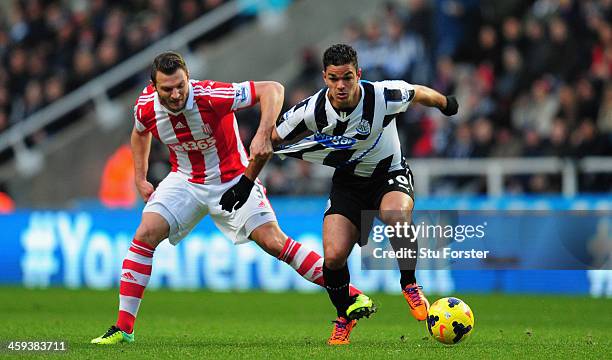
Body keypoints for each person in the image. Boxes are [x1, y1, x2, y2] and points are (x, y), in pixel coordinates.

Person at [91, 51, 363, 345]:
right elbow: (139, 133)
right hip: (185, 180)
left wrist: (263, 133)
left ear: (187, 77)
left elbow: (273, 89)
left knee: (273, 241)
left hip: (233, 179)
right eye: (167, 88)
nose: (176, 93)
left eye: (180, 84)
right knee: (144, 234)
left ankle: (350, 295)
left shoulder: (210, 95)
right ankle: (123, 327)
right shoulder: (146, 106)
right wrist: (140, 177)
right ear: (154, 87)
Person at [271, 44, 458, 345]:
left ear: (358, 73)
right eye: (334, 79)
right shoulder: (312, 110)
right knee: (332, 257)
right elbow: (274, 136)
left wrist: (446, 103)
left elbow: (418, 92)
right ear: (324, 77)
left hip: (390, 174)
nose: (341, 85)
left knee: (396, 215)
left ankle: (409, 284)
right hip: (348, 184)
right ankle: (344, 316)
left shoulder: (383, 96)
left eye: (347, 77)